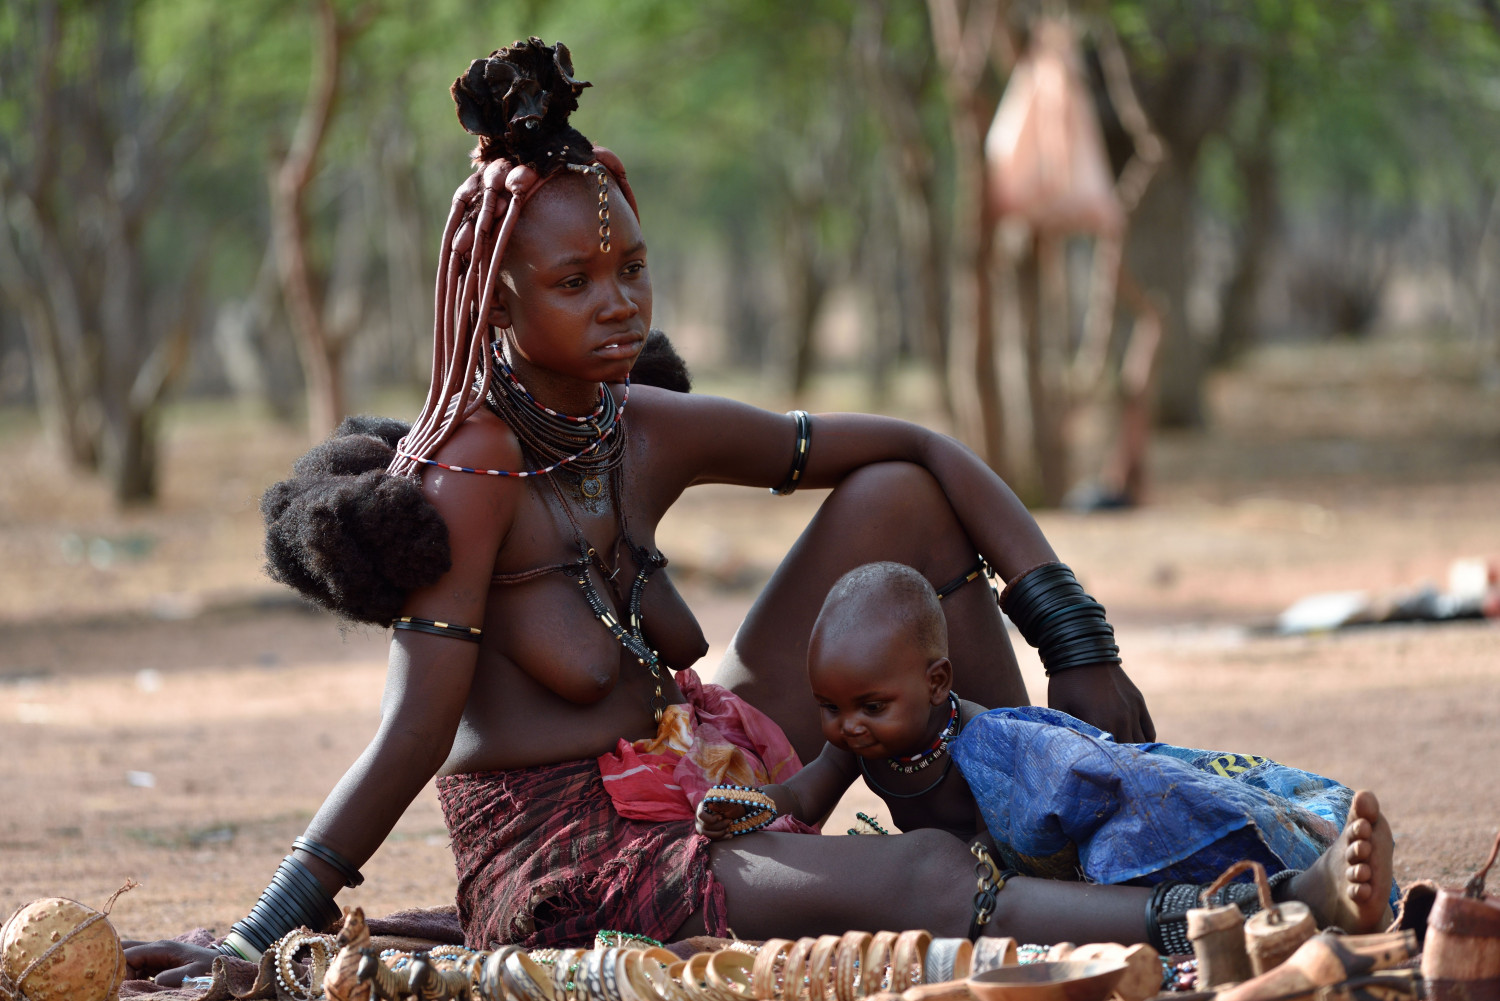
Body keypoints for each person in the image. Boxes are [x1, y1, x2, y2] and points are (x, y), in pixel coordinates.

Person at [124, 38, 1391, 986]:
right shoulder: (468, 476)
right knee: (922, 879)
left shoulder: (639, 424)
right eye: (577, 280)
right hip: (576, 862)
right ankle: (1246, 905)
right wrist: (257, 934)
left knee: (901, 498)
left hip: (711, 765)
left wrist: (1078, 637)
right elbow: (409, 739)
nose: (620, 303)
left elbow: (913, 445)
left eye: (633, 268)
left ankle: (1028, 804)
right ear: (498, 309)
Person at [697, 561, 1391, 918]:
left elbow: (1077, 791)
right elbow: (806, 793)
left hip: (1063, 842)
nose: (847, 725)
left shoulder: (995, 743)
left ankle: (1300, 883)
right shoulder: (861, 742)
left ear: (938, 683)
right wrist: (753, 805)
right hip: (1002, 880)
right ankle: (1292, 895)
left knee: (1169, 822)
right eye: (828, 706)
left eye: (870, 705)